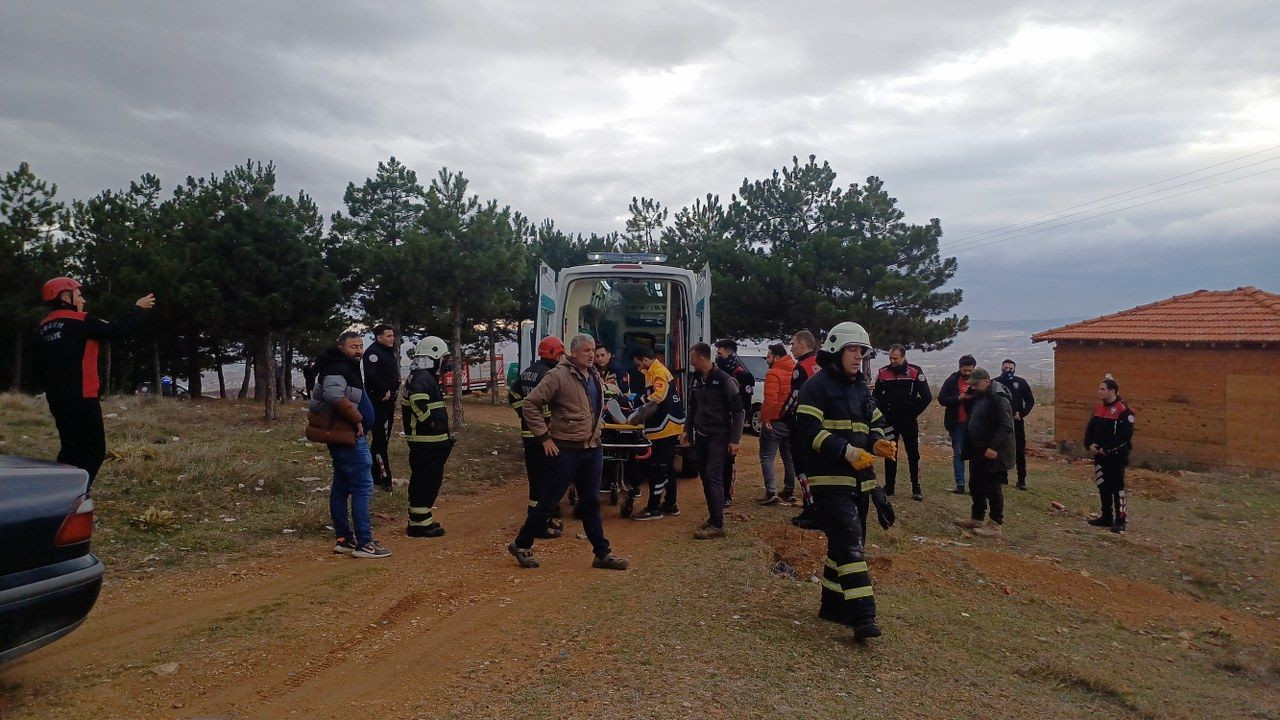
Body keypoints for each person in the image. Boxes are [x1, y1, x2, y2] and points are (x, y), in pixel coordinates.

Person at [793, 322, 896, 641]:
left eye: (862, 351)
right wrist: (847, 450)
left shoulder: (861, 387)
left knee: (846, 542)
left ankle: (832, 605)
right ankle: (863, 615)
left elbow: (875, 419)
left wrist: (877, 441)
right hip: (828, 479)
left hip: (859, 482)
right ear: (836, 351)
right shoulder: (816, 387)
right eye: (853, 350)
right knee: (850, 541)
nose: (858, 356)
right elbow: (807, 431)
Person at [508, 334, 629, 570]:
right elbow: (530, 404)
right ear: (573, 353)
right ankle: (521, 544)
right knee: (548, 502)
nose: (592, 354)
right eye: (586, 351)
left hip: (592, 448)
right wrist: (544, 437)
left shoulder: (593, 375)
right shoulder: (558, 376)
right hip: (566, 450)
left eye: (593, 350)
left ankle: (602, 554)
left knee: (591, 501)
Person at [34, 277, 155, 488]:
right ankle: (74, 495)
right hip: (82, 396)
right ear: (65, 296)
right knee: (94, 450)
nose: (83, 300)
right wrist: (138, 308)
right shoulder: (82, 321)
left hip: (56, 398)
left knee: (70, 448)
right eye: (79, 295)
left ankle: (59, 492)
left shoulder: (42, 328)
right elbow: (119, 331)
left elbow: (37, 366)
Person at [307, 331, 390, 558]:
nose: (359, 350)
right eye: (354, 346)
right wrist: (357, 419)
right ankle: (364, 542)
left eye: (361, 346)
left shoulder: (342, 366)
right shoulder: (336, 367)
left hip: (345, 437)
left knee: (342, 487)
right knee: (363, 487)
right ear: (342, 347)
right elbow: (334, 396)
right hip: (349, 438)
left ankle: (344, 540)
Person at [683, 342, 745, 539]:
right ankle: (713, 517)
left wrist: (734, 440)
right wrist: (687, 430)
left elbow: (739, 411)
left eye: (692, 358)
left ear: (701, 358)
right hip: (701, 435)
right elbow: (692, 407)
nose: (690, 362)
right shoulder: (695, 378)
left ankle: (718, 525)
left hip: (720, 435)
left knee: (713, 476)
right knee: (704, 476)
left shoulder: (724, 380)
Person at [508, 336, 566, 539]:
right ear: (553, 353)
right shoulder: (548, 374)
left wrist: (522, 415)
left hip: (529, 434)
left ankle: (538, 516)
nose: (561, 357)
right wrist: (548, 423)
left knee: (537, 478)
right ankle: (539, 522)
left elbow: (513, 396)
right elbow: (547, 404)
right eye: (560, 353)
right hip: (543, 437)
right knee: (546, 478)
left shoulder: (529, 371)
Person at [401, 336, 453, 538]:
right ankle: (419, 526)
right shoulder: (423, 377)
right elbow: (417, 401)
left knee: (424, 481)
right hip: (427, 442)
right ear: (433, 356)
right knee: (427, 481)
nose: (444, 362)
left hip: (427, 442)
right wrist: (430, 421)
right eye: (443, 358)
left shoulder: (420, 375)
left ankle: (421, 519)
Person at [952, 368, 1014, 538]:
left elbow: (1005, 426)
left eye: (975, 384)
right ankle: (977, 517)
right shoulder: (980, 395)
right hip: (977, 448)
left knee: (992, 487)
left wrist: (994, 447)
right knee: (975, 483)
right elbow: (974, 413)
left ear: (986, 381)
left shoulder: (999, 397)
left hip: (994, 450)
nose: (973, 386)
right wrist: (968, 398)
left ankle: (995, 525)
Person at [627, 346, 686, 520]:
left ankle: (654, 508)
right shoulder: (653, 372)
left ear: (644, 359)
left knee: (659, 467)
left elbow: (659, 395)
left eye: (638, 364)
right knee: (667, 467)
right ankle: (670, 504)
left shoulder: (658, 371)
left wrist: (639, 401)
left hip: (665, 426)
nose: (638, 368)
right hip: (667, 425)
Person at [873, 344, 932, 501]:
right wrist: (882, 415)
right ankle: (889, 486)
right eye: (890, 358)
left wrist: (912, 412)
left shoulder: (915, 372)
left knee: (913, 454)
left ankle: (916, 487)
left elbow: (926, 397)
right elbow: (875, 397)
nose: (892, 361)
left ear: (904, 357)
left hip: (908, 421)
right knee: (890, 452)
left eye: (895, 358)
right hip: (889, 421)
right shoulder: (883, 373)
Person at [781, 330, 821, 526]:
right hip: (819, 423)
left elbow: (795, 396)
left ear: (803, 345)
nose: (791, 348)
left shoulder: (801, 368)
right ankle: (816, 506)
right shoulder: (820, 364)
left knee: (802, 467)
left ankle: (811, 509)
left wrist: (781, 414)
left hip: (802, 423)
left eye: (793, 344)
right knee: (815, 466)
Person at [1085, 376, 1135, 533]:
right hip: (1099, 455)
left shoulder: (1123, 410)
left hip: (1116, 456)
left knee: (1117, 487)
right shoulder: (1099, 408)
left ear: (1112, 391)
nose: (1099, 391)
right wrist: (1089, 444)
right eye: (1099, 388)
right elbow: (1090, 429)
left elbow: (1125, 435)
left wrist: (1106, 448)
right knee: (1103, 485)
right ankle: (1106, 517)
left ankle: (1120, 520)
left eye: (1102, 389)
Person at [712, 339, 755, 506]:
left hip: (731, 423)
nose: (718, 357)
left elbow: (744, 405)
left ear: (730, 353)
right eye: (717, 353)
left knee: (728, 461)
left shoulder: (741, 374)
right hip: (716, 422)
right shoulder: (714, 371)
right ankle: (717, 492)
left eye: (720, 353)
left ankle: (726, 495)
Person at [363, 324, 401, 493]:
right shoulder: (373, 353)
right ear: (379, 337)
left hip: (389, 401)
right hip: (379, 403)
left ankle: (376, 476)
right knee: (380, 442)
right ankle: (385, 480)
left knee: (381, 441)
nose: (392, 338)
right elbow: (371, 376)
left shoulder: (389, 351)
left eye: (393, 335)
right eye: (388, 336)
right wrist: (383, 391)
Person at [757, 343, 797, 505]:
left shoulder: (773, 374)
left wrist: (765, 419)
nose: (767, 360)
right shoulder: (795, 370)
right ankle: (789, 490)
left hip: (775, 422)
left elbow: (770, 401)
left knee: (767, 456)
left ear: (777, 357)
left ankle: (771, 492)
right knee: (789, 457)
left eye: (768, 357)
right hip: (791, 421)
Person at [938, 355, 978, 494]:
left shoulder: (978, 381)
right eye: (964, 370)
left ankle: (975, 485)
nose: (967, 373)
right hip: (957, 423)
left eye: (970, 371)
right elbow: (942, 399)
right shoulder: (952, 380)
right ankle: (960, 484)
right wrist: (959, 398)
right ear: (960, 367)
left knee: (975, 453)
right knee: (958, 453)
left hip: (975, 423)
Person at [994, 359, 1035, 490]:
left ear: (1014, 369)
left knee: (1019, 451)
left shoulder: (1021, 383)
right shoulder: (995, 383)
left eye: (1010, 368)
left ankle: (1021, 480)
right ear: (1001, 368)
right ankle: (1002, 477)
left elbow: (1030, 401)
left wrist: (1021, 414)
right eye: (1005, 368)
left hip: (1016, 422)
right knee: (1001, 448)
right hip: (1000, 423)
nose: (1008, 370)